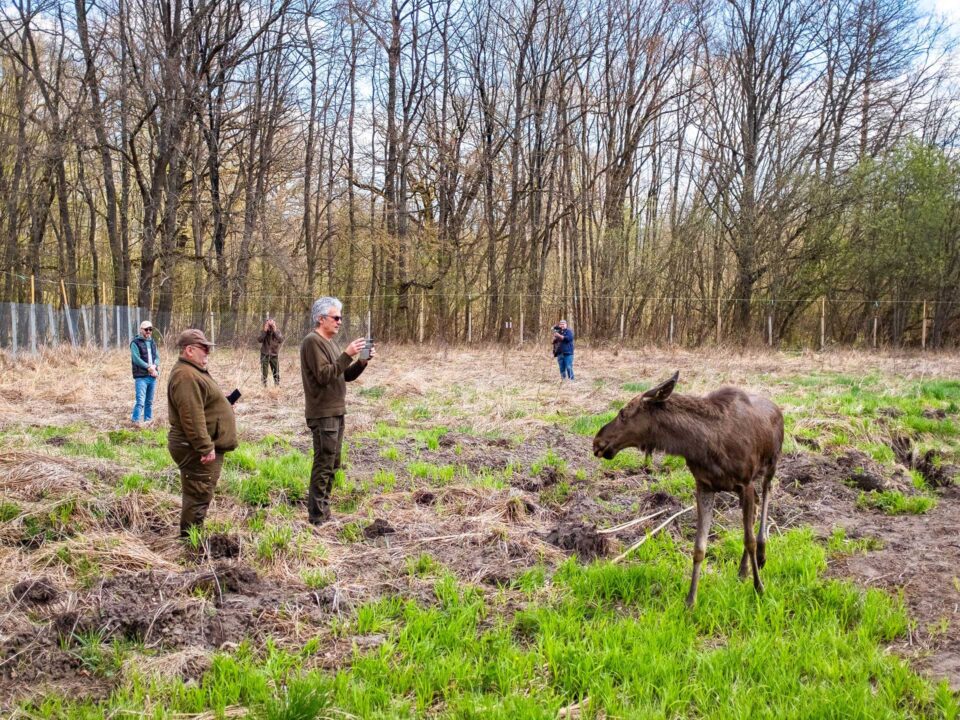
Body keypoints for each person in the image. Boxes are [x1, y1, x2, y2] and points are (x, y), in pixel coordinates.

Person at [300, 297, 375, 525]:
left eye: (340, 317)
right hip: (323, 413)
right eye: (336, 317)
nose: (340, 322)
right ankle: (317, 518)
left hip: (336, 411)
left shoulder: (330, 343)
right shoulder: (312, 342)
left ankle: (325, 512)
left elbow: (343, 375)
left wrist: (361, 362)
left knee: (333, 463)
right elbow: (323, 376)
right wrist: (347, 354)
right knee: (324, 464)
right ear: (321, 319)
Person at [167, 329, 238, 538]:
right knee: (198, 494)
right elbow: (191, 415)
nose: (208, 353)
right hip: (195, 448)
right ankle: (190, 542)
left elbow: (201, 403)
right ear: (189, 350)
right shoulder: (186, 375)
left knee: (200, 493)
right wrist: (204, 447)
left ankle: (192, 537)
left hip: (201, 445)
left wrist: (223, 404)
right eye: (204, 349)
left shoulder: (192, 371)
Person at [131, 320, 160, 425]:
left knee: (149, 402)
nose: (148, 331)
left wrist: (154, 366)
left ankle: (148, 421)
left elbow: (157, 357)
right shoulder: (135, 343)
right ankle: (135, 422)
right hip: (141, 377)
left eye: (150, 329)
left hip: (152, 376)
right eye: (146, 329)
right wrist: (149, 367)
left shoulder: (152, 342)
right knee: (140, 402)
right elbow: (136, 359)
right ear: (141, 329)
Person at [258, 318, 284, 386]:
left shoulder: (277, 331)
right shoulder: (263, 331)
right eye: (268, 324)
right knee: (264, 372)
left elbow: (280, 340)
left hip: (274, 355)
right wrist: (265, 330)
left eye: (272, 324)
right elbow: (259, 340)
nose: (270, 326)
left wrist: (274, 330)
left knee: (276, 371)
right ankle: (264, 385)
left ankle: (277, 385)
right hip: (264, 354)